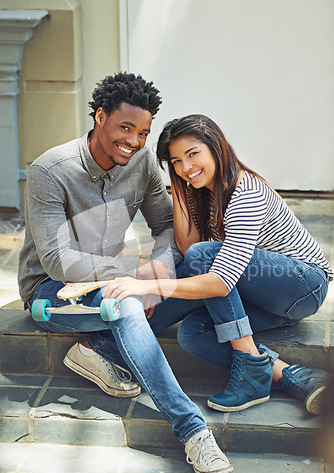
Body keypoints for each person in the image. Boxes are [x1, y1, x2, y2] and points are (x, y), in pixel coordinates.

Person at [18, 77, 234, 473]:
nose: (134, 142)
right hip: (52, 293)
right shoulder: (49, 171)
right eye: (125, 128)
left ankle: (98, 349)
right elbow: (56, 260)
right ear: (100, 117)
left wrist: (162, 268)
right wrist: (136, 273)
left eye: (143, 133)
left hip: (111, 283)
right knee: (126, 302)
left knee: (203, 266)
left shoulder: (141, 163)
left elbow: (167, 225)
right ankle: (192, 431)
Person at [103, 113, 333, 415]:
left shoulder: (246, 192)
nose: (186, 167)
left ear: (216, 147)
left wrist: (149, 286)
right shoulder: (201, 191)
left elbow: (217, 277)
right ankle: (293, 376)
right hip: (256, 291)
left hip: (300, 285)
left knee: (202, 258)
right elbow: (187, 246)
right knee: (192, 333)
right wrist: (180, 186)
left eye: (193, 154)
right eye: (175, 162)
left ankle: (250, 368)